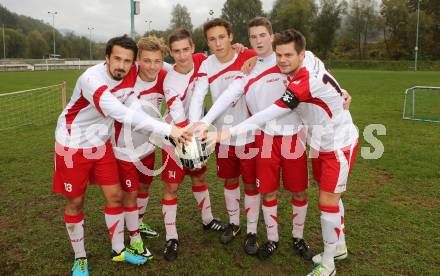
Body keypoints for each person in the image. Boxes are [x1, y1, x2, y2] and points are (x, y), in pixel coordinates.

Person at [203, 29, 358, 276]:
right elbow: (329, 76)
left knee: (327, 201)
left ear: (300, 54)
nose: (283, 60)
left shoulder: (302, 83)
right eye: (280, 55)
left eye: (288, 55)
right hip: (319, 141)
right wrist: (342, 92)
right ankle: (338, 247)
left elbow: (268, 114)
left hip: (337, 143)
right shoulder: (309, 57)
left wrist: (224, 134)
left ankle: (329, 263)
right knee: (329, 196)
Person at [53, 35, 185, 276]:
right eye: (117, 59)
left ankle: (118, 251)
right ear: (106, 58)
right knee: (75, 202)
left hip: (101, 143)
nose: (121, 66)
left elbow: (137, 104)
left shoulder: (129, 76)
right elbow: (121, 112)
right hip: (72, 145)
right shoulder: (91, 79)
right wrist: (170, 130)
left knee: (115, 196)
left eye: (127, 61)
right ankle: (80, 258)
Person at [191, 17, 316, 260]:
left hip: (294, 137)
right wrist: (204, 122)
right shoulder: (248, 68)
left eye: (262, 35)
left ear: (272, 36)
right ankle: (272, 239)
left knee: (299, 191)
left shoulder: (292, 59)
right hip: (265, 138)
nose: (258, 40)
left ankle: (298, 238)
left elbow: (320, 75)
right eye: (253, 37)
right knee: (268, 192)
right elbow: (228, 95)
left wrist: (342, 92)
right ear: (248, 40)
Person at [188, 18, 259, 248]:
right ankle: (234, 223)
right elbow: (199, 95)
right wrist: (194, 124)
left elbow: (275, 47)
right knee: (230, 180)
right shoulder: (207, 64)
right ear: (207, 42)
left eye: (221, 37)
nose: (217, 43)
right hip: (221, 135)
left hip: (249, 132)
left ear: (230, 36)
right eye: (212, 39)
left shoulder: (247, 56)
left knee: (250, 183)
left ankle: (251, 230)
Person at [160, 28, 227, 261]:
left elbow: (227, 54)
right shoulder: (169, 81)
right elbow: (178, 114)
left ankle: (208, 220)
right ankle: (171, 236)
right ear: (170, 52)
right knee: (172, 187)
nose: (182, 56)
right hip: (177, 134)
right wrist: (192, 137)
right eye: (176, 51)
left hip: (196, 131)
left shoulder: (202, 61)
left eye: (185, 49)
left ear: (193, 48)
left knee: (199, 177)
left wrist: (241, 49)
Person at [112, 36, 170, 261]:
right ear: (137, 60)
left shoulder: (165, 75)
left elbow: (190, 68)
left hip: (148, 146)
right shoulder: (127, 77)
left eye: (157, 61)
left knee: (145, 187)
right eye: (147, 61)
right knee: (130, 193)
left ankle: (139, 221)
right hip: (124, 148)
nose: (152, 67)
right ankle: (134, 238)